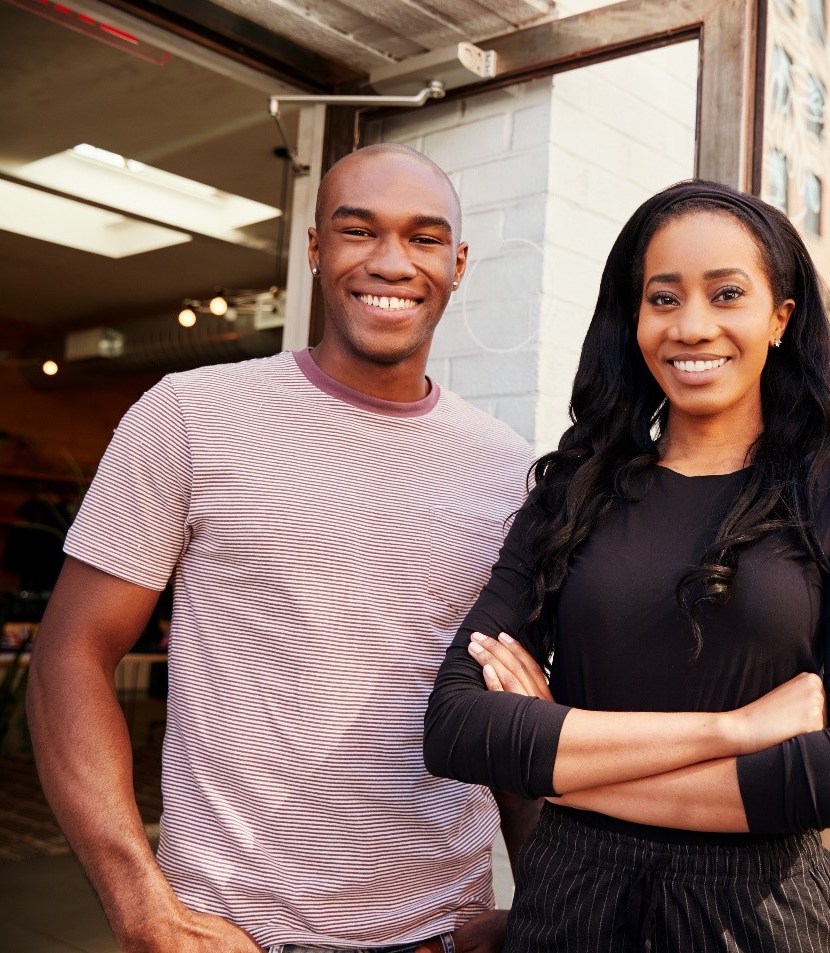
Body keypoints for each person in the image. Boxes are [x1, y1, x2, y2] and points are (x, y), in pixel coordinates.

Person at [28, 143, 538, 953]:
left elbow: (514, 712)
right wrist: (139, 906)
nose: (391, 262)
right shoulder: (191, 415)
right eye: (358, 231)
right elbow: (70, 656)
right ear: (314, 249)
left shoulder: (511, 472)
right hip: (228, 932)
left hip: (438, 935)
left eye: (424, 237)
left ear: (459, 262)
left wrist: (550, 914)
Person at [423, 179, 830, 952]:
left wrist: (561, 754)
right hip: (567, 913)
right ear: (635, 317)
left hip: (758, 920)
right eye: (663, 298)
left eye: (727, 294)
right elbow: (456, 728)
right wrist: (736, 728)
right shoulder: (571, 494)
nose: (693, 326)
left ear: (780, 317)